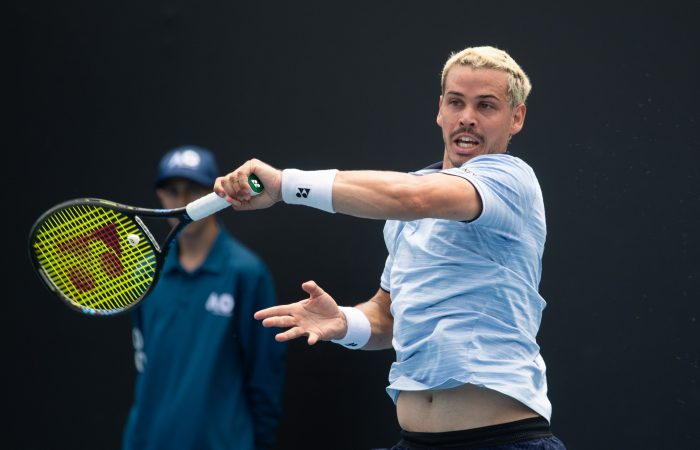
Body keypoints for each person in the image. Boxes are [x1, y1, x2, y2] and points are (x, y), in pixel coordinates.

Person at [215, 45, 565, 450]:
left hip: (504, 442)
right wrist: (345, 322)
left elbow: (412, 197)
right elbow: (389, 316)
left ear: (515, 118)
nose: (467, 117)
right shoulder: (407, 210)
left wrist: (284, 185)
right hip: (413, 440)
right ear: (440, 110)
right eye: (456, 102)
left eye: (486, 105)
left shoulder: (511, 180)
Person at [122, 145, 286, 450]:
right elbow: (146, 365)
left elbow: (265, 377)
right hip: (149, 440)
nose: (182, 201)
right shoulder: (145, 273)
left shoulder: (247, 273)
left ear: (217, 195)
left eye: (194, 189)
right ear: (161, 196)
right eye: (172, 190)